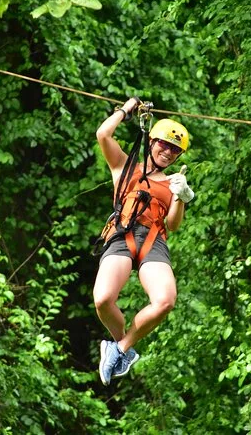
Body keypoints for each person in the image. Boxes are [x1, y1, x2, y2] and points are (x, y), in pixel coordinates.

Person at [93, 97, 195, 386]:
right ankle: (120, 347)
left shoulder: (173, 182)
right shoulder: (124, 166)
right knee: (103, 299)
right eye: (164, 144)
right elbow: (103, 134)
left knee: (165, 300)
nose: (168, 152)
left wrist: (181, 197)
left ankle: (121, 348)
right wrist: (127, 108)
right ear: (151, 142)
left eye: (175, 150)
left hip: (153, 240)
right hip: (122, 233)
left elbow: (173, 225)